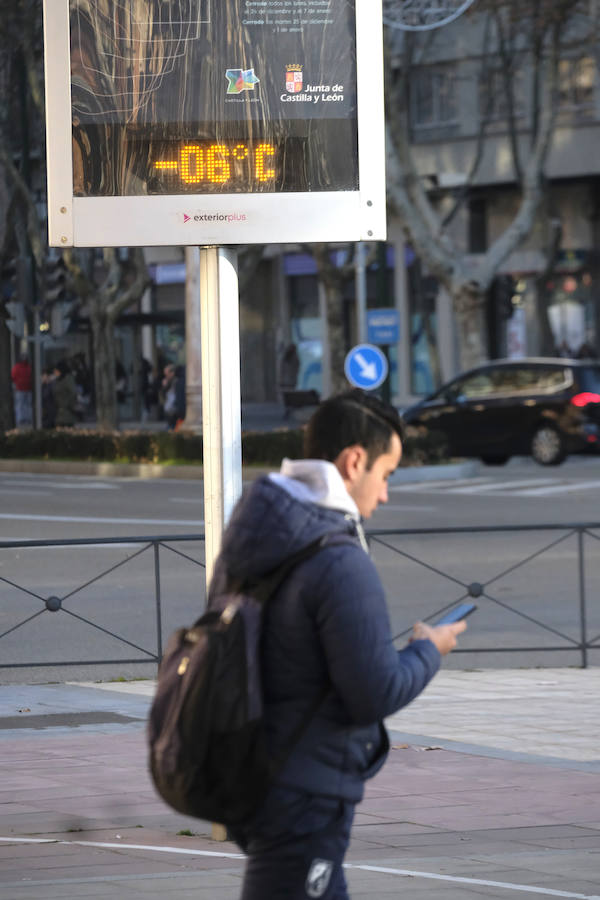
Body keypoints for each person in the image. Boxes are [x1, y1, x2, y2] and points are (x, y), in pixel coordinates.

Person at [208, 389, 466, 899]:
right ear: (354, 462)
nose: (386, 494)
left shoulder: (254, 536)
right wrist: (429, 651)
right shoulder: (339, 559)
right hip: (305, 791)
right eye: (386, 474)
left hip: (256, 772)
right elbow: (373, 692)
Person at [53, 360, 79, 427]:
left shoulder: (68, 379)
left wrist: (68, 403)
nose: (55, 372)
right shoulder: (57, 380)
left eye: (56, 370)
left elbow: (73, 392)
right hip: (58, 412)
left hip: (67, 411)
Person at [279, 341, 300, 417]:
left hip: (287, 380)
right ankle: (289, 408)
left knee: (287, 396)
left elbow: (282, 370)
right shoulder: (294, 358)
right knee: (289, 395)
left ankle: (288, 408)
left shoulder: (287, 358)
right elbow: (297, 368)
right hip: (290, 380)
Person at [11, 353, 33, 427]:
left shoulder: (17, 367)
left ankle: (22, 419)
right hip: (25, 388)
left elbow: (13, 377)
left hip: (22, 389)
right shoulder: (28, 367)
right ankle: (25, 419)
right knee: (25, 404)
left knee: (22, 405)